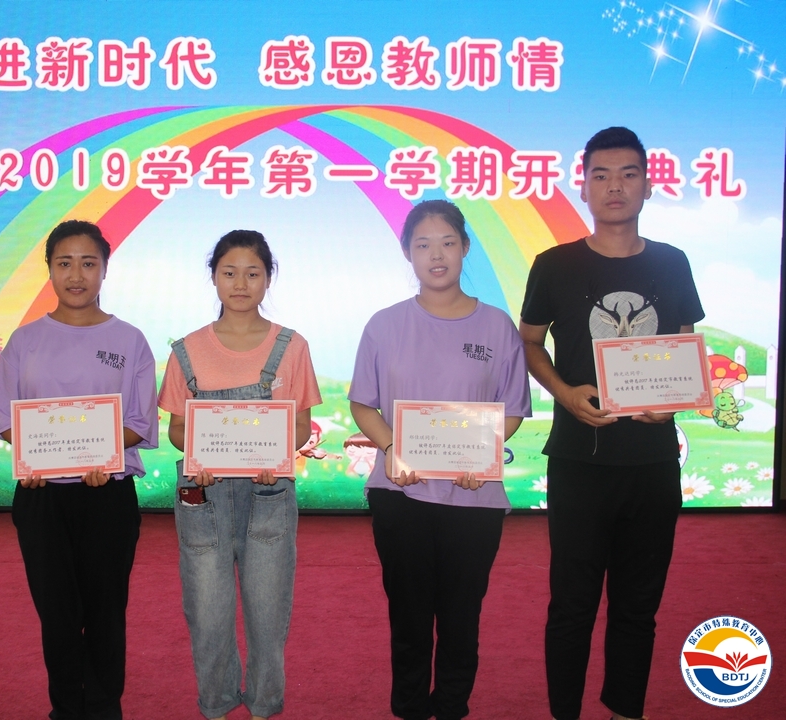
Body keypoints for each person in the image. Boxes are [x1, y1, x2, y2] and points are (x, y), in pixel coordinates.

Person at [519, 127, 704, 720]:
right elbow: (529, 343)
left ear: (648, 185)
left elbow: (683, 345)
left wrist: (673, 401)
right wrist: (565, 393)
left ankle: (626, 709)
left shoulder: (672, 263)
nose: (615, 186)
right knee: (571, 605)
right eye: (601, 175)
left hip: (652, 462)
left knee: (637, 606)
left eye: (628, 174)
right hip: (579, 460)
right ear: (584, 187)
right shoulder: (554, 265)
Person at [348, 199, 531, 720]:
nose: (436, 255)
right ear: (408, 252)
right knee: (408, 619)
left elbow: (512, 409)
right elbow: (363, 403)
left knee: (460, 619)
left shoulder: (497, 327)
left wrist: (484, 452)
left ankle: (452, 707)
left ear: (465, 248)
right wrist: (391, 448)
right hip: (400, 495)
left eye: (448, 243)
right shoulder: (384, 325)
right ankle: (408, 708)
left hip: (474, 498)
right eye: (423, 244)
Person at [0, 220, 158, 720]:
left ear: (105, 269)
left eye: (88, 263)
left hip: (107, 494)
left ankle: (104, 710)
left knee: (106, 613)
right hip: (42, 495)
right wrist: (38, 455)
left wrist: (98, 454)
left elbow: (139, 423)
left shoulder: (130, 340)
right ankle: (64, 710)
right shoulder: (24, 341)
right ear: (49, 269)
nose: (76, 275)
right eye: (64, 263)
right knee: (57, 616)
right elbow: (6, 420)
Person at [158, 230, 321, 720]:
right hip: (203, 496)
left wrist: (277, 452)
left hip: (269, 491)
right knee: (207, 613)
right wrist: (199, 455)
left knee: (268, 613)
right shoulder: (186, 350)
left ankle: (265, 704)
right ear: (214, 277)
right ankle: (216, 702)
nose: (241, 283)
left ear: (268, 279)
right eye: (229, 272)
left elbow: (300, 424)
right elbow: (178, 429)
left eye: (253, 273)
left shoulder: (292, 346)